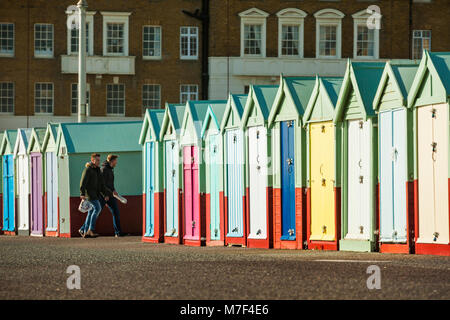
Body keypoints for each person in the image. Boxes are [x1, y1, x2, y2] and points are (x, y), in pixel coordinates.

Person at [79, 153, 111, 238]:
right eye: (97, 160)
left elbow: (101, 184)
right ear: (92, 160)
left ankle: (84, 230)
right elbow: (83, 182)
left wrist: (105, 194)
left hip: (96, 194)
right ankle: (91, 229)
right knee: (98, 208)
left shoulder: (98, 170)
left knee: (91, 211)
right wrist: (82, 193)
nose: (98, 162)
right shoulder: (88, 170)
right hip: (89, 194)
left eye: (99, 160)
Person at [100, 154, 125, 237]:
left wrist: (114, 190)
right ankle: (84, 229)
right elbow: (102, 184)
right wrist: (105, 195)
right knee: (95, 212)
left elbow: (110, 183)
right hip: (104, 195)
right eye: (115, 161)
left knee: (116, 212)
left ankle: (118, 232)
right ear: (112, 161)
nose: (116, 163)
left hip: (111, 195)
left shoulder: (110, 169)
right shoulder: (104, 169)